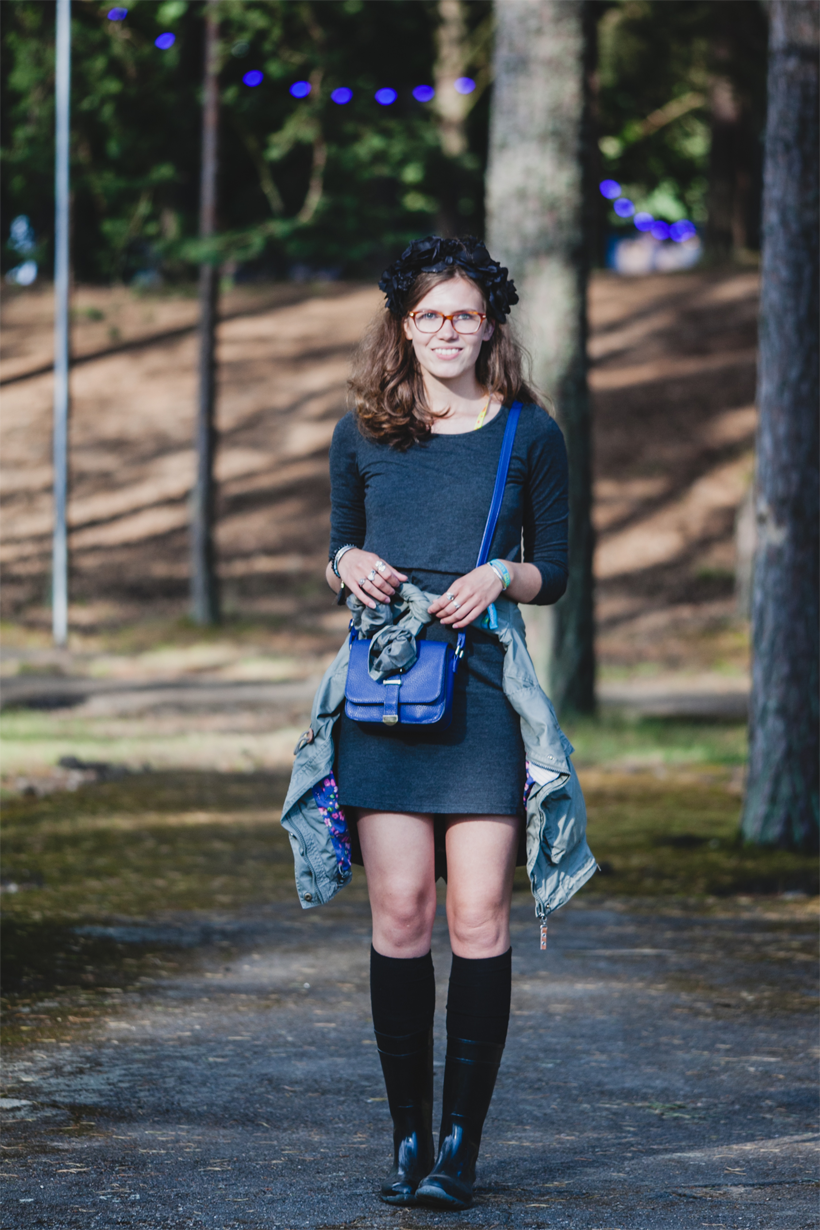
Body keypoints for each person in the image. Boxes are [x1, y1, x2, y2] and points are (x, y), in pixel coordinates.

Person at [318, 235, 572, 1210]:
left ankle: (459, 1150)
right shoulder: (360, 433)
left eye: (464, 314)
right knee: (399, 913)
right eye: (429, 315)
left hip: (483, 697)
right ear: (403, 325)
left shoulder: (529, 434)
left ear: (490, 324)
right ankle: (407, 1140)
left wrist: (503, 574)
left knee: (476, 916)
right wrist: (345, 565)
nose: (447, 330)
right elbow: (337, 549)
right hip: (383, 696)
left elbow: (556, 570)